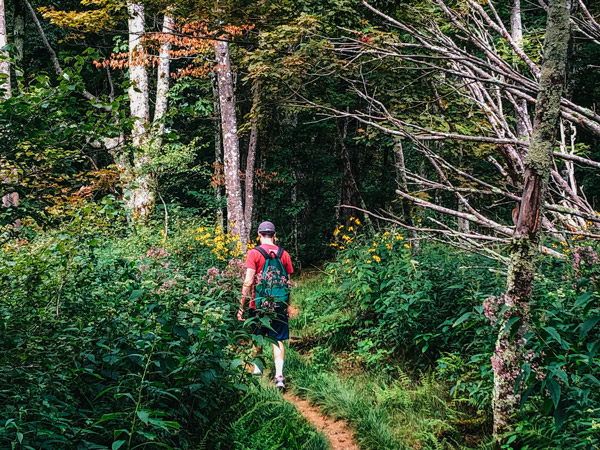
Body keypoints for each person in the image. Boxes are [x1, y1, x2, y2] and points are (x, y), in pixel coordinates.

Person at [237, 221, 293, 389]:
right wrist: (287, 305)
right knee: (278, 340)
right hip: (279, 304)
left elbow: (248, 282)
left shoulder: (254, 254)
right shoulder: (284, 254)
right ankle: (279, 376)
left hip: (259, 304)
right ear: (274, 235)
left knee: (257, 338)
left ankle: (257, 372)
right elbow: (287, 283)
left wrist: (241, 306)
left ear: (259, 235)